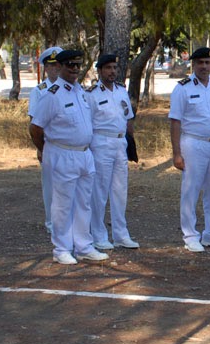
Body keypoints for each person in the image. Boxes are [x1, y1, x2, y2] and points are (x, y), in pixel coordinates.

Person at [29, 49, 108, 265]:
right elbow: (35, 128)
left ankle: (84, 246)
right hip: (61, 153)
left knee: (84, 203)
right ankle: (62, 248)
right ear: (60, 66)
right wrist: (45, 151)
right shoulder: (52, 95)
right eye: (69, 65)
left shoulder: (80, 92)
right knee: (62, 204)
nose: (74, 69)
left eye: (77, 65)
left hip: (84, 154)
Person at [168, 46, 210, 252]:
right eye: (200, 63)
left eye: (207, 62)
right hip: (192, 143)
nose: (204, 66)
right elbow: (175, 121)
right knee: (191, 190)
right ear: (193, 64)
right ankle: (190, 235)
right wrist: (177, 153)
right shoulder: (183, 88)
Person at [86, 53, 139, 250]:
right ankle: (98, 235)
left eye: (115, 68)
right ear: (99, 71)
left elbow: (128, 118)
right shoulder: (91, 94)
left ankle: (121, 234)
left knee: (120, 191)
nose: (112, 72)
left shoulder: (121, 91)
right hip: (100, 142)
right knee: (99, 191)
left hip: (119, 143)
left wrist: (130, 142)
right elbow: (87, 123)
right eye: (107, 68)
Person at [28, 46, 63, 237]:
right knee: (50, 185)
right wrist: (40, 148)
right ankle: (51, 222)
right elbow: (33, 122)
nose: (56, 69)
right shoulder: (39, 91)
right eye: (52, 65)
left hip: (67, 146)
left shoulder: (72, 88)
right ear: (46, 68)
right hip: (48, 143)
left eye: (59, 65)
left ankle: (67, 221)